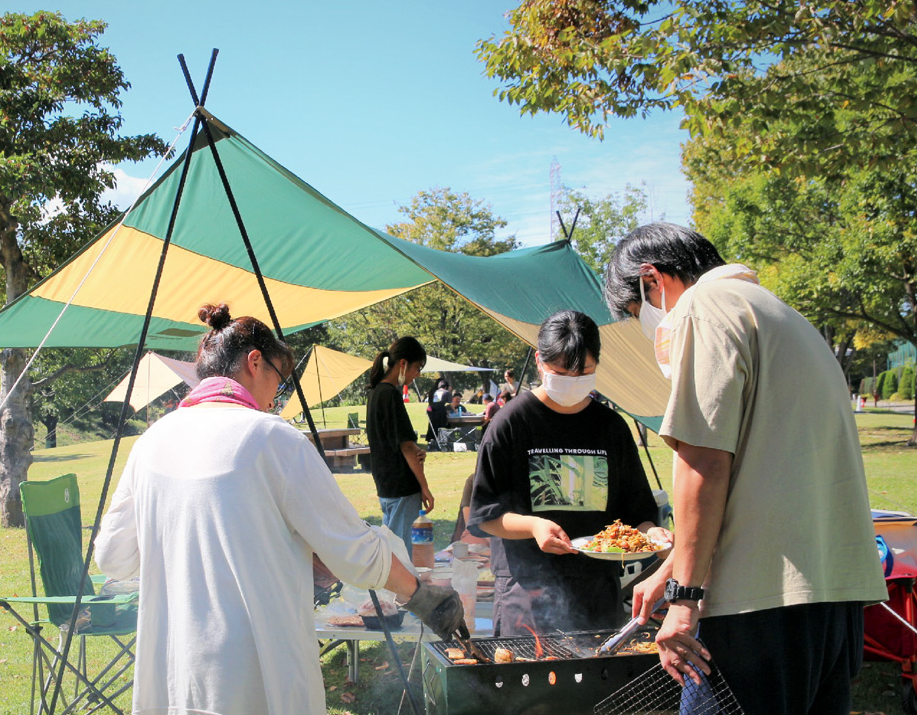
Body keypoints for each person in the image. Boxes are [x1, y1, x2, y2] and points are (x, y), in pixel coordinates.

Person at [96, 305, 463, 715]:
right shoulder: (273, 438)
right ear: (255, 362)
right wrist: (421, 595)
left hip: (173, 681)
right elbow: (357, 552)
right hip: (257, 681)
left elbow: (113, 556)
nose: (277, 395)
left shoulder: (151, 441)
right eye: (279, 379)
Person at [604, 222, 885, 713]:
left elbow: (705, 461)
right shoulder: (783, 316)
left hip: (758, 604)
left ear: (652, 280)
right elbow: (762, 472)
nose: (645, 324)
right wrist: (668, 569)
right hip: (830, 600)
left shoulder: (701, 308)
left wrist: (684, 596)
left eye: (636, 312)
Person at [467, 310, 666, 634]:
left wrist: (652, 533)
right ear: (540, 361)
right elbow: (486, 516)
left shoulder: (611, 427)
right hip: (527, 596)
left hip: (597, 593)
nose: (572, 382)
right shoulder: (511, 424)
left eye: (583, 372)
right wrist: (534, 526)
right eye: (561, 372)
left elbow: (638, 514)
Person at [366, 336, 435, 554]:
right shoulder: (390, 395)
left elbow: (392, 440)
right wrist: (424, 486)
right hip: (401, 485)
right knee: (400, 552)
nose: (418, 374)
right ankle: (402, 589)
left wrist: (416, 450)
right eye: (417, 367)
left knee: (392, 544)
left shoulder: (376, 393)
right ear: (403, 364)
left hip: (385, 483)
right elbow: (405, 446)